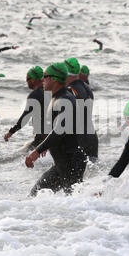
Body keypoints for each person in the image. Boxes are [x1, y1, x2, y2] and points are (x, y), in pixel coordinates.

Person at [25, 62, 87, 197]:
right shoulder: (57, 98)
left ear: (54, 79)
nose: (42, 79)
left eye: (45, 76)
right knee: (34, 196)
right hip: (62, 164)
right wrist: (49, 143)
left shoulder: (64, 99)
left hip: (71, 163)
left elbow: (60, 129)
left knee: (74, 205)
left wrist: (36, 151)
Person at [4, 66, 47, 150]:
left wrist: (10, 132)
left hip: (43, 137)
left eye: (27, 79)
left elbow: (25, 117)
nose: (26, 81)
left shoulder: (35, 94)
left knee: (24, 155)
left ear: (33, 80)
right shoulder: (51, 91)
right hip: (53, 136)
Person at [65, 57, 99, 162]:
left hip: (79, 141)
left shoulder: (71, 91)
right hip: (92, 138)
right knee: (92, 176)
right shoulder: (87, 88)